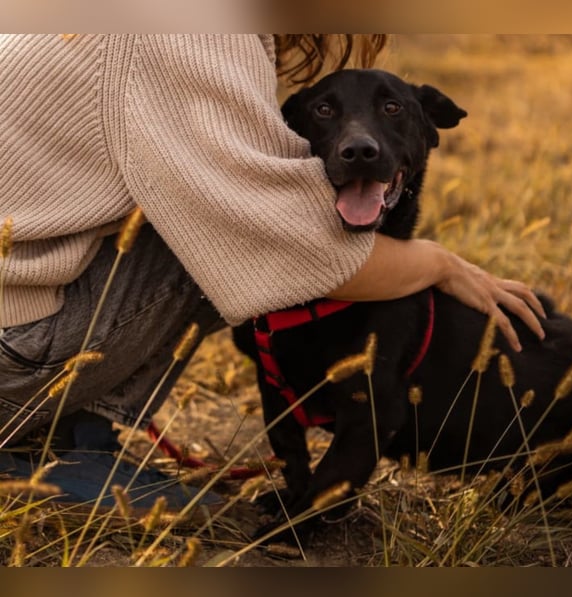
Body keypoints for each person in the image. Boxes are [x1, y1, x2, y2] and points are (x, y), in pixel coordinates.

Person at [0, 34, 544, 509]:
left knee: (217, 191)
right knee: (235, 212)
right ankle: (47, 447)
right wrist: (437, 263)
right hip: (12, 359)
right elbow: (278, 244)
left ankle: (66, 432)